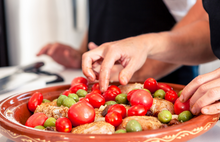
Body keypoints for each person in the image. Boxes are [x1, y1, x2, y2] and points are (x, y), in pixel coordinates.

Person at [82, 0, 220, 115]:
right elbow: (214, 27)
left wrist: (138, 71)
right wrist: (144, 44)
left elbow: (208, 31)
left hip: (169, 85)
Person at [37, 0, 201, 86]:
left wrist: (134, 73)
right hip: (107, 83)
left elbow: (204, 21)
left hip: (164, 84)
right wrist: (81, 53)